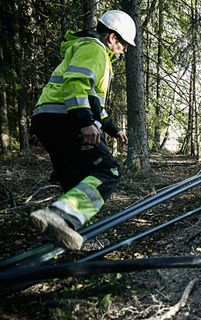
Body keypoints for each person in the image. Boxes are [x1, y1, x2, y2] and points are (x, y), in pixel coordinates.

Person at [28, 10, 136, 250]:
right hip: (64, 118)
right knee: (108, 171)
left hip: (47, 119)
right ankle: (58, 217)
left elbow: (95, 103)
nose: (125, 50)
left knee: (75, 180)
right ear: (111, 37)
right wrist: (84, 121)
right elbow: (76, 84)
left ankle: (61, 234)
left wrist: (113, 129)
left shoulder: (91, 52)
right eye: (124, 44)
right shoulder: (94, 49)